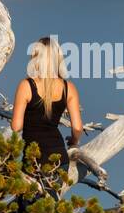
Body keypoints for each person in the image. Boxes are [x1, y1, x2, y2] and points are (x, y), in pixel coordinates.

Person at [11, 36, 83, 175]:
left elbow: (16, 126)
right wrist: (74, 140)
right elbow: (78, 127)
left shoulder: (26, 85)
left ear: (36, 58)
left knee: (30, 196)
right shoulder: (69, 87)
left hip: (34, 158)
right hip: (59, 157)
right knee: (54, 195)